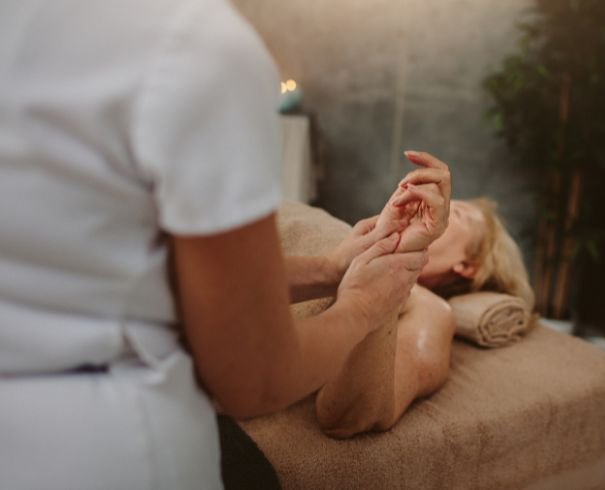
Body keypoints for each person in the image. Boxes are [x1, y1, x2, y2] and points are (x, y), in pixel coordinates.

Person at [0, 0, 450, 488]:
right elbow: (254, 379)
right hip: (109, 449)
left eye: (462, 213)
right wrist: (362, 302)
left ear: (470, 267)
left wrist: (338, 269)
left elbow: (112, 258)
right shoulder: (194, 48)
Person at [314, 190, 534, 438]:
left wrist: (391, 269)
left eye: (454, 213)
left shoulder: (431, 310)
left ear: (468, 265)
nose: (427, 210)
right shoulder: (349, 244)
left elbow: (349, 416)